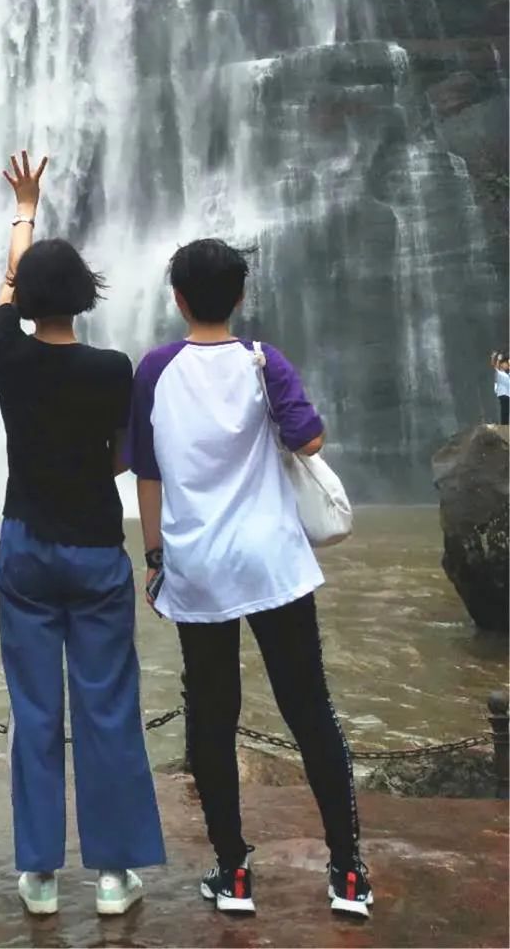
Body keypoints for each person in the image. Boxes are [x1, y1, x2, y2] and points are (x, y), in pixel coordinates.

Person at [128, 238, 373, 921]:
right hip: (272, 562)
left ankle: (233, 872)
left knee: (212, 716)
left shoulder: (155, 370)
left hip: (200, 569)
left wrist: (154, 557)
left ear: (177, 298)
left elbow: (146, 470)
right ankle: (348, 871)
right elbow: (309, 441)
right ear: (240, 296)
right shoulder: (264, 360)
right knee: (309, 709)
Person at [0, 152, 165, 919]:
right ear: (87, 297)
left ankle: (39, 875)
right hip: (95, 547)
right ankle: (115, 875)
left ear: (26, 299)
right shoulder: (113, 368)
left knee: (34, 711)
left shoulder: (6, 352)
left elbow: (6, 289)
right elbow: (123, 456)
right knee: (108, 708)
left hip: (25, 546)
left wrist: (24, 210)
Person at [489, 352, 509, 425]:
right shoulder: (499, 372)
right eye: (505, 364)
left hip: (506, 393)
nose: (506, 365)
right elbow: (494, 365)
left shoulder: (506, 373)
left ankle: (505, 424)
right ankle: (504, 424)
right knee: (505, 409)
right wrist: (496, 358)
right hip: (503, 394)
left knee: (506, 409)